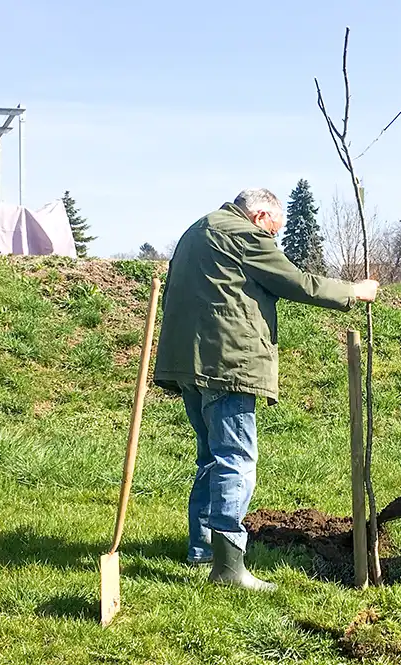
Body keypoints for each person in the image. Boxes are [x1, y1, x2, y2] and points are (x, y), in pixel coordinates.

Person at [153, 188, 379, 592]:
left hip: (186, 360)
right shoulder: (245, 234)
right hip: (228, 362)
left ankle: (202, 549)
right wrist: (354, 291)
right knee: (235, 459)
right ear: (259, 217)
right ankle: (229, 568)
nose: (272, 239)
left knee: (210, 457)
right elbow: (297, 281)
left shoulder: (197, 230)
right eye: (273, 232)